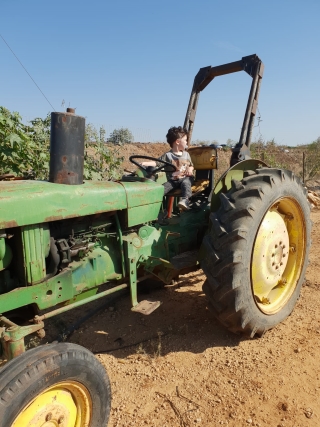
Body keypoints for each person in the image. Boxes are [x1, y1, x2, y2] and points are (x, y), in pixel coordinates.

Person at [143, 126, 194, 210]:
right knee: (161, 189)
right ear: (178, 142)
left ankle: (186, 201)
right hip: (173, 181)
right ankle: (152, 207)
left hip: (186, 178)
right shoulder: (168, 155)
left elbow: (191, 165)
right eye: (185, 140)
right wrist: (145, 163)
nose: (186, 143)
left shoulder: (186, 154)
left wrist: (190, 169)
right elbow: (157, 162)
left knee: (185, 183)